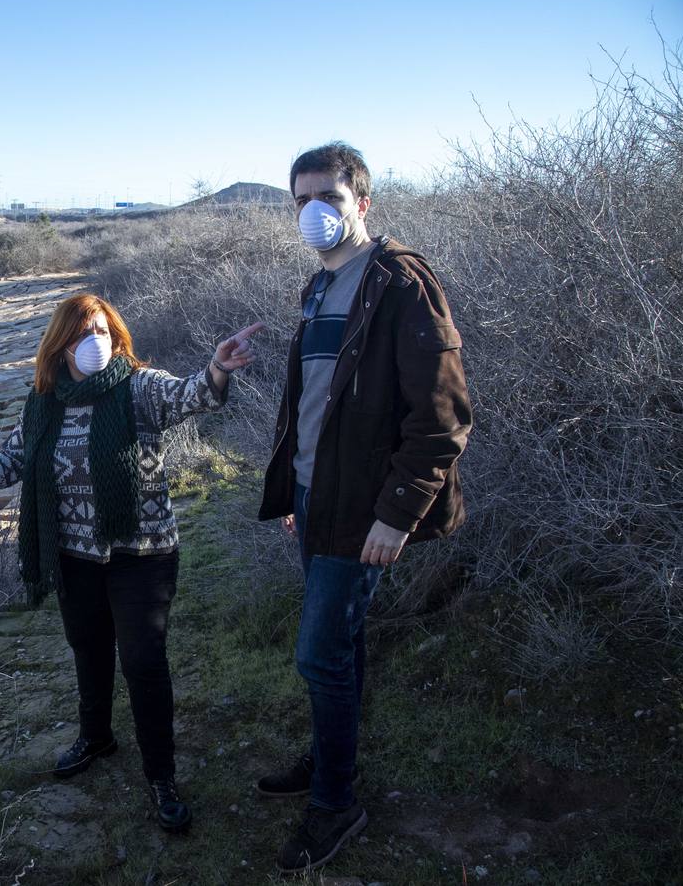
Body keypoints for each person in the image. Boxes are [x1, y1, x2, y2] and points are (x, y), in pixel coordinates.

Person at [0, 293, 263, 832]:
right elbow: (16, 457)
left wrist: (216, 369)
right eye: (82, 332)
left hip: (142, 555)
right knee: (88, 651)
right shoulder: (44, 401)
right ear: (60, 345)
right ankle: (96, 737)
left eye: (102, 330)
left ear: (116, 335)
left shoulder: (137, 387)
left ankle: (161, 773)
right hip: (73, 555)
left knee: (142, 661)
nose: (95, 341)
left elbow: (188, 397)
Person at [255, 142, 472, 873]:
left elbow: (441, 418)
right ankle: (327, 761)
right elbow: (316, 407)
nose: (314, 212)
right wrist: (297, 492)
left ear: (362, 203)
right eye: (301, 200)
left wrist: (398, 513)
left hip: (366, 510)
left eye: (329, 198)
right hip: (320, 499)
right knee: (340, 647)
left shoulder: (399, 282)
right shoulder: (319, 286)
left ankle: (336, 800)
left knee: (318, 654)